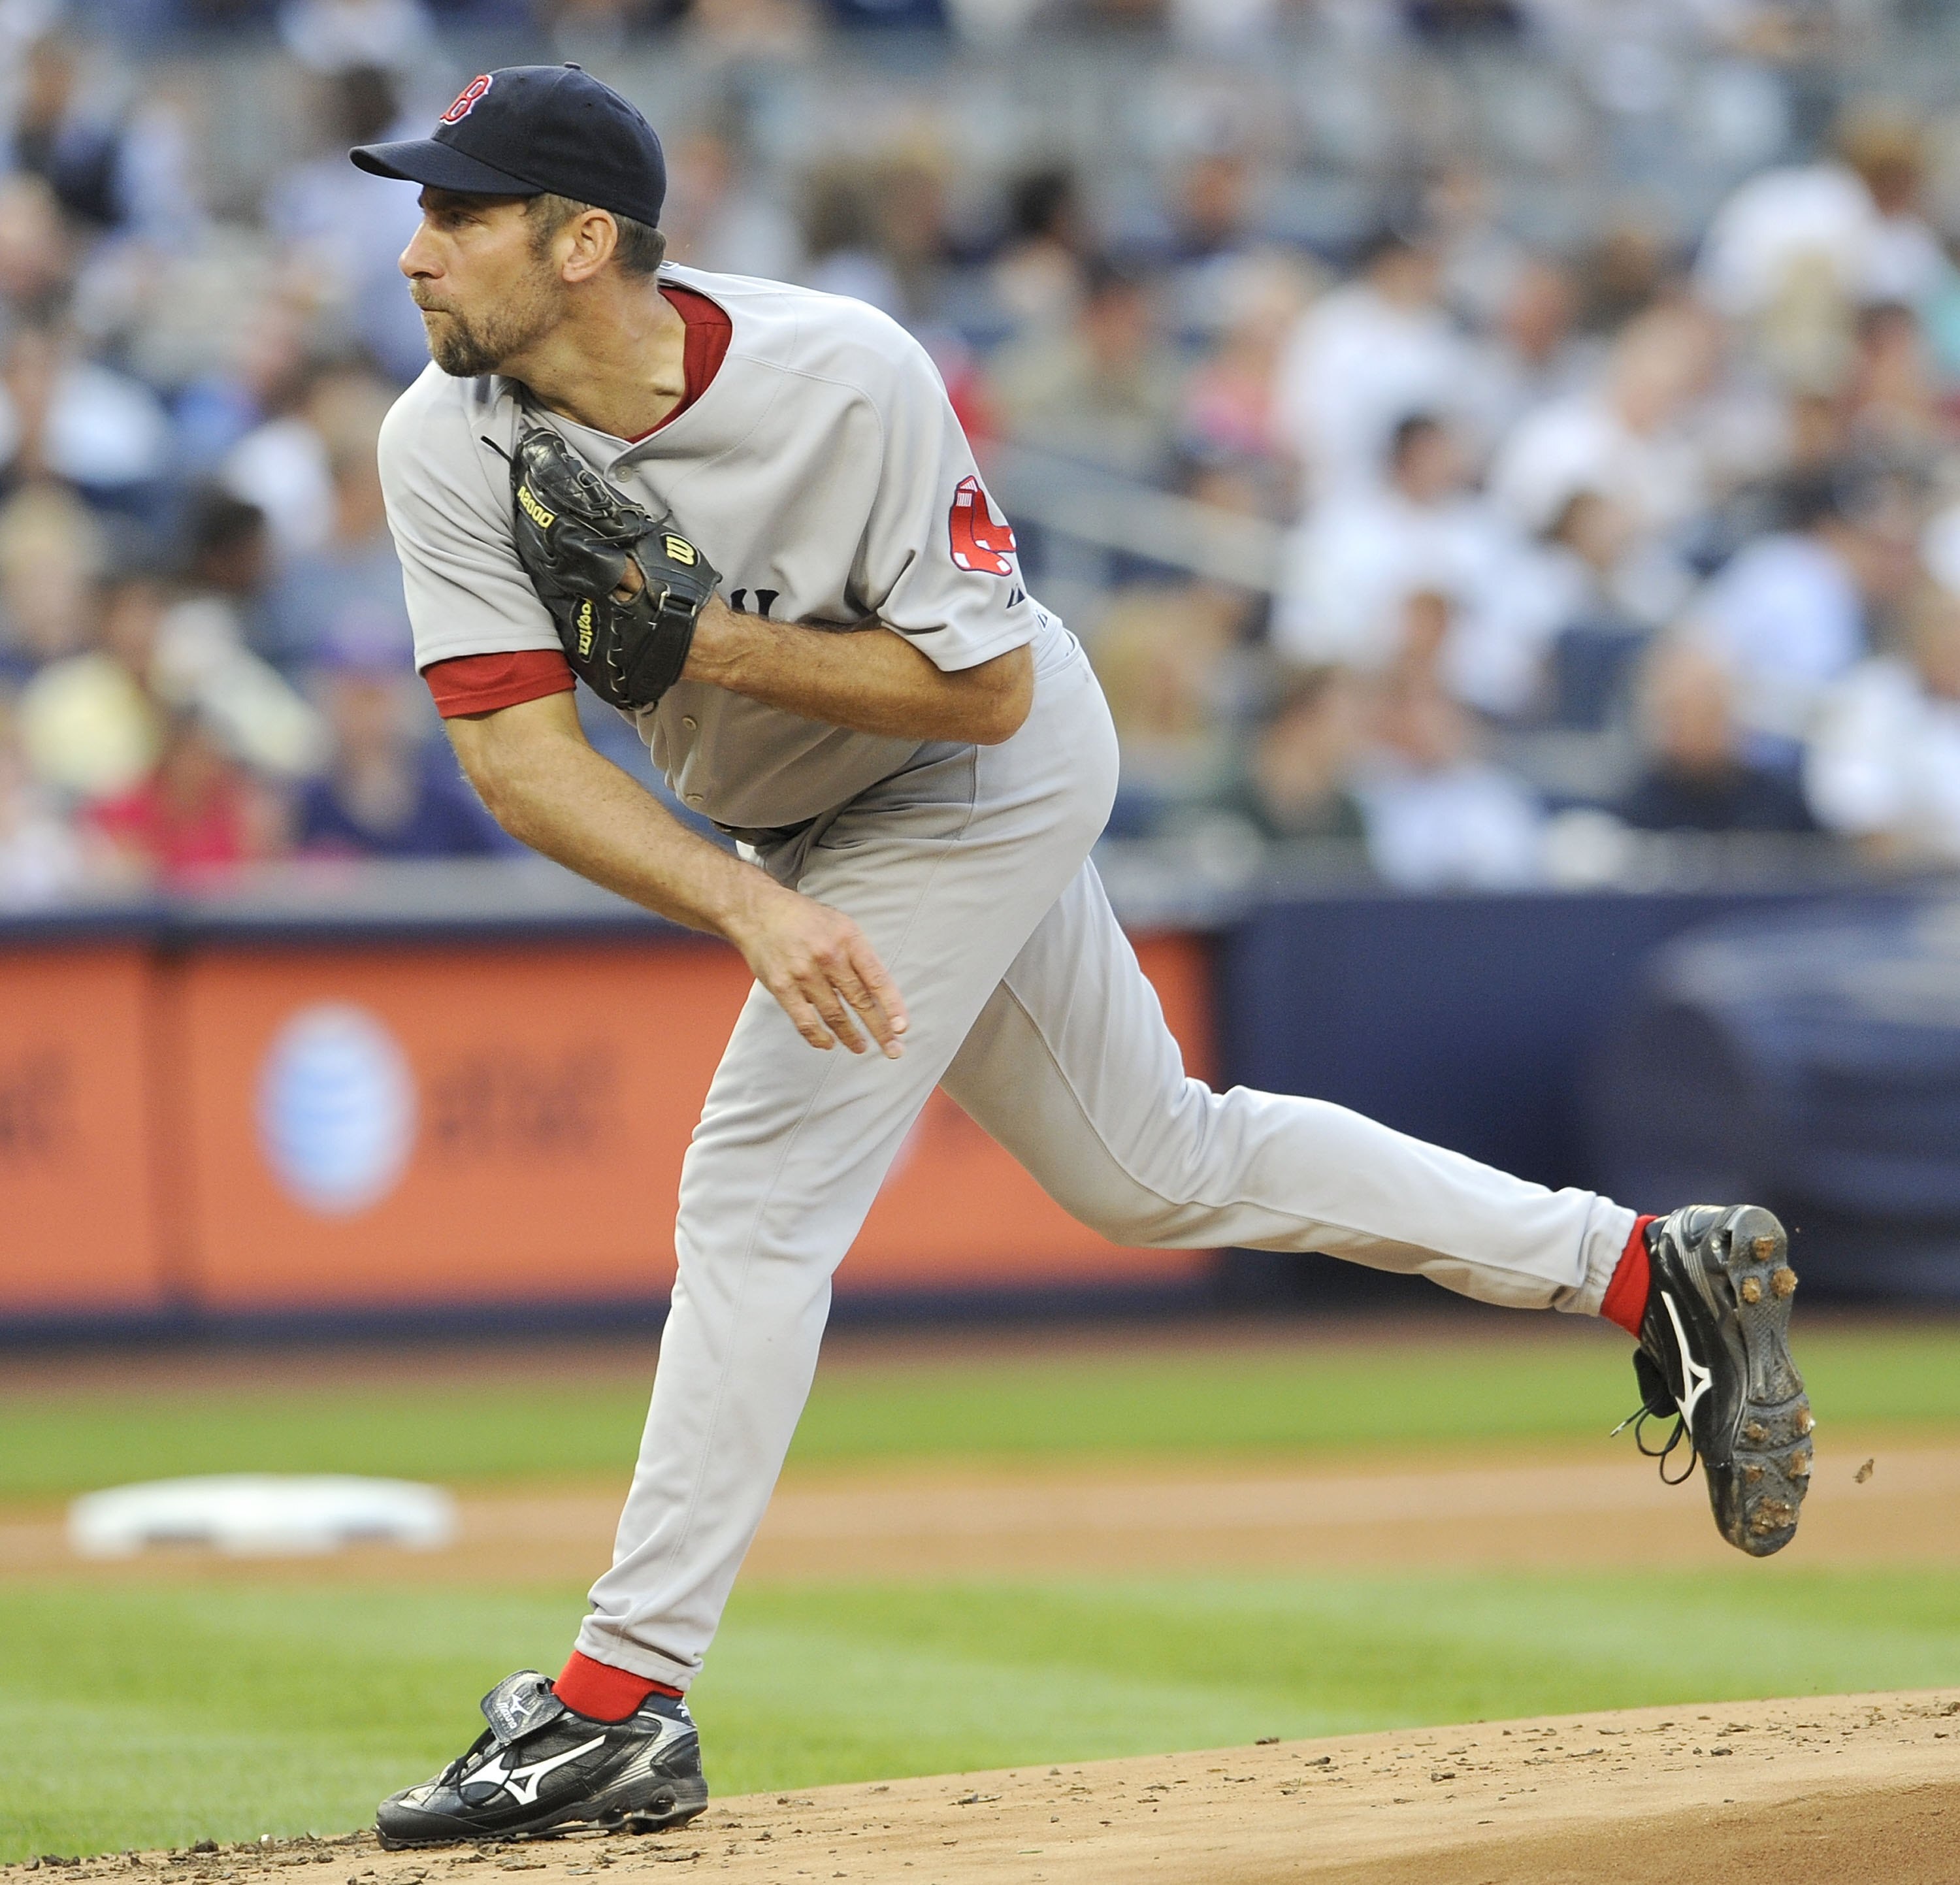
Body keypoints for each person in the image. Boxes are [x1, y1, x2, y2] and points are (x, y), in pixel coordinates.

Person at [354, 65, 1814, 1850]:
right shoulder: (444, 441)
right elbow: (515, 758)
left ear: (584, 242)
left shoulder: (847, 372)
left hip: (984, 772)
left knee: (756, 1192)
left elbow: (989, 686)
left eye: (456, 211)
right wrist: (752, 902)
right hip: (795, 834)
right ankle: (1644, 1271)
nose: (416, 249)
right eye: (419, 207)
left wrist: (713, 650)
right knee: (1157, 1170)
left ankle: (618, 1697)